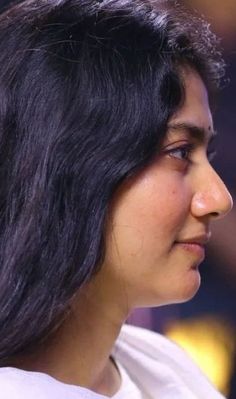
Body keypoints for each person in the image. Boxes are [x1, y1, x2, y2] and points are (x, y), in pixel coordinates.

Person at [0, 0, 233, 398]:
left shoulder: (163, 365)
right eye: (179, 152)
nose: (219, 199)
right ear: (73, 166)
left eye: (206, 156)